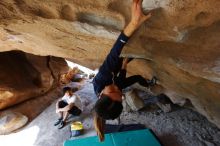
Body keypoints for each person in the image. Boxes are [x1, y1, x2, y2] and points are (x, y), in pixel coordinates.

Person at [92, 0, 156, 141]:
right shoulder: (115, 91)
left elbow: (115, 51)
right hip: (116, 78)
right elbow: (117, 84)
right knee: (136, 77)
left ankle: (146, 82)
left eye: (112, 91)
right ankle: (148, 84)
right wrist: (125, 66)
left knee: (125, 60)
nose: (116, 89)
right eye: (119, 95)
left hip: (111, 73)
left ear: (101, 94)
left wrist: (134, 23)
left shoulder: (102, 78)